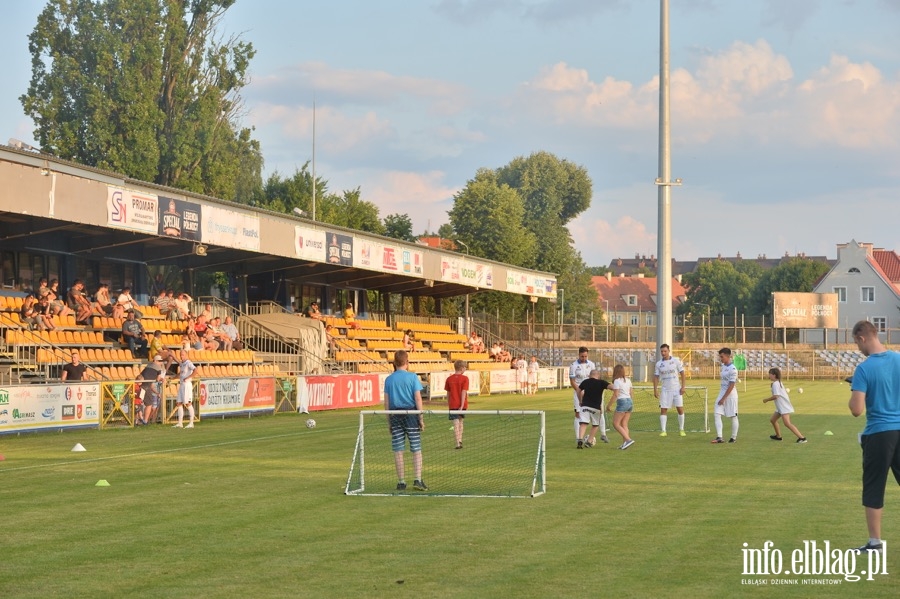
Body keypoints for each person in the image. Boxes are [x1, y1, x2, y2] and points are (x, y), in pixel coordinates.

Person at [848, 319, 900, 552]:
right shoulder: (899, 359)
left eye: (856, 343)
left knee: (874, 486)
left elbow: (856, 410)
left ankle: (875, 542)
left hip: (879, 433)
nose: (858, 349)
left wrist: (855, 392)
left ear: (862, 338)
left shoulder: (864, 369)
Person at [383, 350, 427, 491]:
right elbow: (418, 398)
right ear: (407, 362)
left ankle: (401, 481)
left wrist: (389, 421)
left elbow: (387, 403)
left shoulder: (389, 379)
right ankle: (417, 479)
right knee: (416, 448)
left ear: (395, 363)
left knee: (398, 449)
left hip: (395, 414)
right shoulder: (412, 377)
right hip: (411, 414)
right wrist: (421, 418)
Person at [570, 347, 606, 444]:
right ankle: (578, 438)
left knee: (599, 411)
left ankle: (603, 434)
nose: (584, 358)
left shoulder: (591, 364)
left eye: (585, 356)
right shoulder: (573, 365)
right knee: (578, 414)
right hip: (579, 391)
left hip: (591, 392)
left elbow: (595, 378)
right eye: (582, 356)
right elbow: (572, 381)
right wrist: (579, 390)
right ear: (579, 355)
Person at [763, 367, 807, 443]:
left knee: (787, 423)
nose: (769, 376)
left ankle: (802, 438)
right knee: (773, 420)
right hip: (780, 407)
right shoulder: (777, 383)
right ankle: (778, 436)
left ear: (774, 375)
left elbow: (776, 396)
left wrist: (766, 400)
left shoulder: (776, 384)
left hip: (784, 407)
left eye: (769, 374)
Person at [654, 343, 687, 437]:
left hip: (676, 389)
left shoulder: (676, 361)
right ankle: (663, 430)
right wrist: (655, 390)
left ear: (669, 351)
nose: (663, 353)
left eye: (665, 351)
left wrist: (683, 386)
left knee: (680, 409)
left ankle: (681, 429)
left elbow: (683, 374)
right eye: (662, 351)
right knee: (663, 409)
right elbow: (656, 377)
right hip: (665, 389)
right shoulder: (659, 364)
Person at [578, 369, 612, 448]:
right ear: (598, 375)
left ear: (590, 375)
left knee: (583, 423)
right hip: (595, 407)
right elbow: (612, 387)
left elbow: (578, 390)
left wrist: (580, 400)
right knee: (595, 425)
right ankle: (589, 441)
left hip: (585, 406)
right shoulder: (601, 382)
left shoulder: (585, 382)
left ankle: (580, 439)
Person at [711, 347, 739, 444]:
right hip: (722, 392)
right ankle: (719, 437)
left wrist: (724, 398)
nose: (721, 359)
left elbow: (731, 385)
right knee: (717, 413)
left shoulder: (733, 369)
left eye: (722, 357)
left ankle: (733, 438)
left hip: (731, 395)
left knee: (733, 416)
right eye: (720, 357)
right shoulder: (723, 367)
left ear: (728, 356)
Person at [607, 364, 635, 450]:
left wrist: (609, 405)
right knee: (624, 424)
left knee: (616, 424)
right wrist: (631, 403)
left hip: (622, 402)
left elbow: (616, 394)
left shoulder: (616, 381)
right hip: (629, 401)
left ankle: (628, 439)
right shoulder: (628, 380)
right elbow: (631, 393)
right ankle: (625, 444)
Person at [445, 359, 469, 449]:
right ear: (462, 368)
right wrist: (462, 405)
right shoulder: (465, 378)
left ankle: (458, 442)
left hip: (453, 404)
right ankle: (460, 440)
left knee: (455, 423)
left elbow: (448, 393)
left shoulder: (449, 379)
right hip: (461, 404)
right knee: (460, 422)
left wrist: (449, 403)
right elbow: (464, 392)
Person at [136, 355, 166, 425]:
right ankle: (145, 421)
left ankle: (137, 420)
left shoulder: (148, 366)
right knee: (149, 405)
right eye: (159, 361)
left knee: (138, 404)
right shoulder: (158, 368)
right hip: (146, 387)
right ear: (155, 361)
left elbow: (141, 376)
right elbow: (158, 379)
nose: (161, 363)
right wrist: (162, 379)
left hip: (140, 386)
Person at [174, 349, 196, 428]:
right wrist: (174, 377)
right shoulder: (182, 364)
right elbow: (181, 373)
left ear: (186, 355)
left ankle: (191, 422)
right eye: (180, 354)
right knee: (179, 403)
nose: (181, 356)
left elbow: (195, 370)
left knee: (188, 403)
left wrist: (189, 377)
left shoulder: (188, 363)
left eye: (183, 354)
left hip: (187, 384)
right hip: (182, 384)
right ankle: (180, 423)